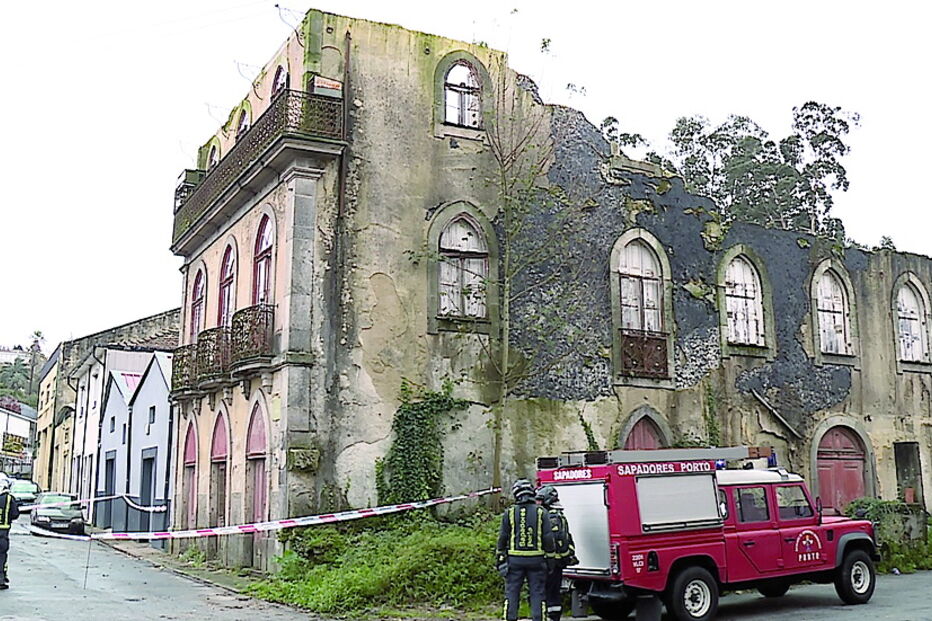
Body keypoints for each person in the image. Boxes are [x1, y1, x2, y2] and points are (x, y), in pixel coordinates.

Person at [496, 479, 555, 621]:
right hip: (537, 561)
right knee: (537, 594)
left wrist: (500, 557)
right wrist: (551, 560)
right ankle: (538, 618)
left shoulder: (509, 513)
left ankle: (510, 618)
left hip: (514, 561)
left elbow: (502, 538)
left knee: (512, 593)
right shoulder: (542, 512)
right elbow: (548, 539)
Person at [537, 485, 578, 621]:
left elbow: (560, 540)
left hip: (550, 563)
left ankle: (550, 617)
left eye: (540, 500)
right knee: (552, 593)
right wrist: (568, 557)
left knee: (548, 593)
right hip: (554, 563)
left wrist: (565, 556)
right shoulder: (555, 515)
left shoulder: (550, 517)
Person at [0, 477, 20, 590]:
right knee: (2, 556)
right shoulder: (9, 499)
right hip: (3, 534)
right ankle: (1, 579)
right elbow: (15, 514)